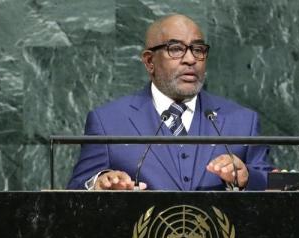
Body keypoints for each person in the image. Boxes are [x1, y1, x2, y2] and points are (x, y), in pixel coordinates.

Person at [67, 14, 271, 191]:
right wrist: (98, 184)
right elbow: (76, 189)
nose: (191, 59)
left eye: (198, 49)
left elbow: (276, 186)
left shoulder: (242, 121)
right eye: (176, 49)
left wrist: (246, 178)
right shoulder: (108, 122)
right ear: (149, 61)